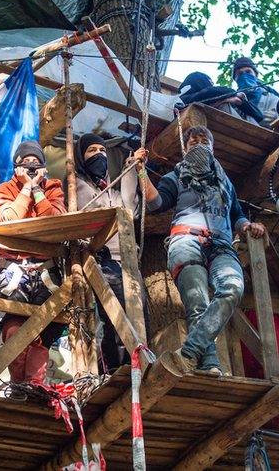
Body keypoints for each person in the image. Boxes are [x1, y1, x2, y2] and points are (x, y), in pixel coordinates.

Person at [133, 127, 266, 375]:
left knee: (233, 287)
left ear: (212, 147)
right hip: (186, 239)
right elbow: (156, 203)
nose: (198, 143)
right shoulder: (178, 175)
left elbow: (236, 215)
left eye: (204, 140)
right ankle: (210, 364)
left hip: (222, 244)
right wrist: (141, 171)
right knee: (197, 303)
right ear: (186, 148)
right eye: (192, 140)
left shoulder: (225, 182)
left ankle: (189, 352)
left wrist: (247, 225)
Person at [0, 140, 67, 386]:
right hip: (13, 268)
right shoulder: (4, 189)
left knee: (46, 330)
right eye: (26, 164)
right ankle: (17, 385)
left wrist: (37, 190)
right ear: (16, 167)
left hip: (46, 269)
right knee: (14, 330)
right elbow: (8, 217)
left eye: (37, 164)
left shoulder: (53, 187)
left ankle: (35, 385)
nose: (32, 167)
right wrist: (25, 189)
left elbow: (56, 220)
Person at [73, 133, 148, 371]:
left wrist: (130, 169)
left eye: (102, 150)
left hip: (126, 259)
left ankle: (133, 364)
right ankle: (114, 369)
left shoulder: (111, 191)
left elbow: (128, 208)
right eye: (91, 151)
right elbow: (94, 209)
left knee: (138, 312)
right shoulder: (77, 184)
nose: (98, 155)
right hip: (101, 259)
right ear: (81, 157)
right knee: (113, 316)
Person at [177, 71, 264, 126]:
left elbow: (259, 116)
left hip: (244, 127)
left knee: (246, 112)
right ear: (199, 80)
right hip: (213, 127)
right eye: (210, 82)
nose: (212, 85)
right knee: (223, 105)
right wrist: (226, 99)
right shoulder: (181, 100)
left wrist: (241, 103)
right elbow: (209, 92)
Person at [232, 57, 279, 124]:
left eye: (248, 72)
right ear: (235, 79)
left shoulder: (271, 98)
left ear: (256, 75)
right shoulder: (232, 101)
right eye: (240, 74)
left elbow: (275, 118)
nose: (244, 75)